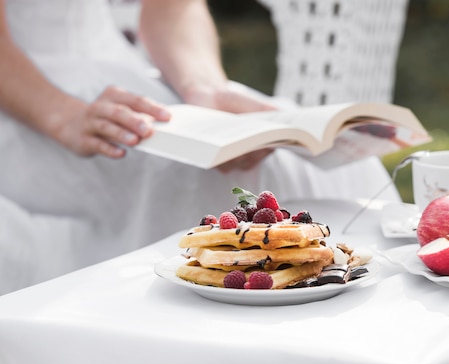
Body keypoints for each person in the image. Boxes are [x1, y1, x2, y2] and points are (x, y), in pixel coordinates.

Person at [0, 0, 400, 295]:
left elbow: (174, 8)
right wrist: (63, 116)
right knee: (178, 172)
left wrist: (204, 88)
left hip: (121, 77)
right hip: (23, 100)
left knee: (323, 165)